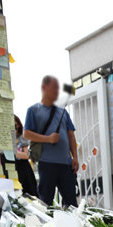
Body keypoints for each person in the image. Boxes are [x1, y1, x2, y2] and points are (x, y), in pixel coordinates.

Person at [23, 75, 78, 206]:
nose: (57, 91)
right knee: (45, 201)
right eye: (54, 88)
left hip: (66, 163)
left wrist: (75, 157)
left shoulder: (63, 112)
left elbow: (71, 135)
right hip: (47, 163)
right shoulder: (33, 110)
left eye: (58, 89)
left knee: (71, 202)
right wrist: (48, 139)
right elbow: (26, 133)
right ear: (44, 87)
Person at [13, 115, 38, 198]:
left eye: (16, 125)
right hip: (11, 167)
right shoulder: (6, 138)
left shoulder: (22, 137)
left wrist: (14, 153)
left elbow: (27, 155)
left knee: (29, 192)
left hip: (23, 167)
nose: (15, 128)